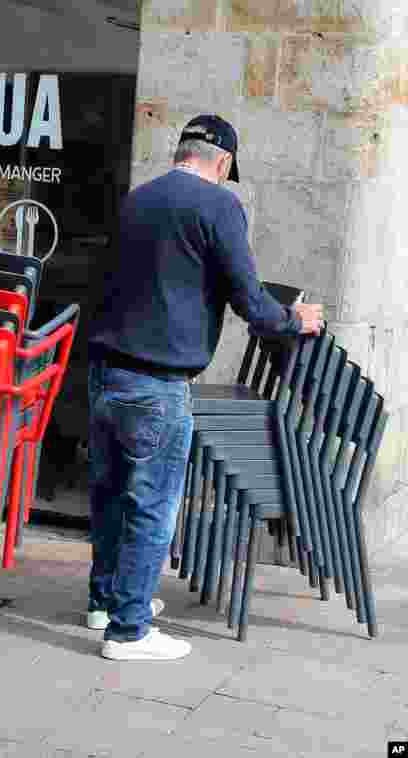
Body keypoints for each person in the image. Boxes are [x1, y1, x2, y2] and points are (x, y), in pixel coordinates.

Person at [84, 114, 325, 661]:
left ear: (181, 152)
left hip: (105, 373)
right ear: (223, 163)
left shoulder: (137, 199)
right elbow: (250, 301)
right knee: (152, 505)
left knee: (111, 496)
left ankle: (106, 602)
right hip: (158, 382)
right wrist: (295, 319)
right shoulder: (219, 206)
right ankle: (129, 630)